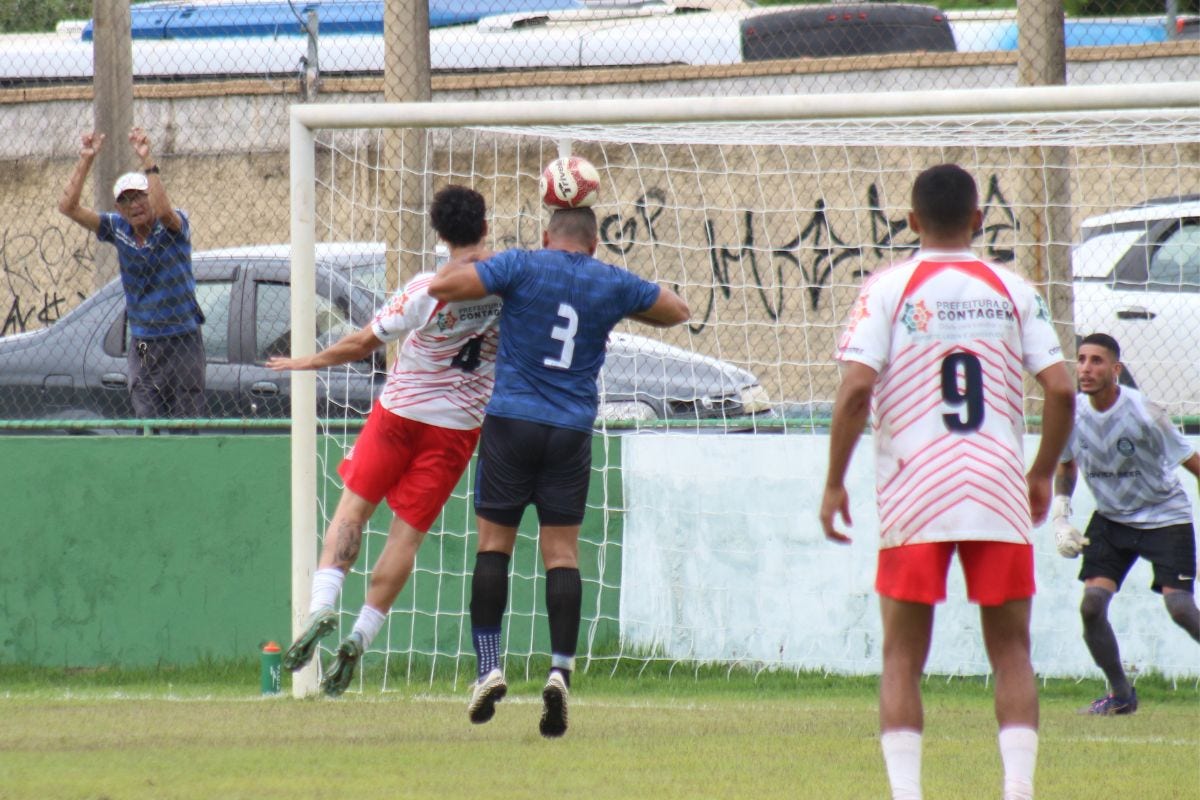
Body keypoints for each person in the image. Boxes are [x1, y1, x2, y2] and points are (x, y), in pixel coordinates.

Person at [819, 164, 1075, 800]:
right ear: (979, 220)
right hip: (995, 488)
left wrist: (834, 483)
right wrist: (1040, 471)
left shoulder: (886, 288)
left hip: (916, 491)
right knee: (1012, 651)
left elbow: (855, 391)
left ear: (909, 221)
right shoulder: (1012, 288)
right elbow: (1063, 387)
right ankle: (1018, 791)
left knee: (902, 655)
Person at [429, 203, 690, 737]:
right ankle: (560, 672)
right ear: (594, 244)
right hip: (569, 431)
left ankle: (488, 668)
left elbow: (445, 288)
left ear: (547, 236)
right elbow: (678, 309)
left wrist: (481, 259)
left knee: (493, 545)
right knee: (562, 554)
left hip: (511, 423)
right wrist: (621, 302)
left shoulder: (521, 264)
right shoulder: (610, 280)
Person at [271, 185, 500, 697]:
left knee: (352, 512)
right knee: (406, 538)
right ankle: (360, 635)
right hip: (458, 427)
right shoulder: (509, 284)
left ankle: (322, 608)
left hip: (399, 415)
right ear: (485, 226)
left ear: (440, 235)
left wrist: (304, 362)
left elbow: (362, 342)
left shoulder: (429, 287)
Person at [1052, 332, 1199, 716]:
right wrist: (1061, 514)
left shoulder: (1144, 412)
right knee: (1091, 606)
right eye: (1081, 359)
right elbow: (1066, 463)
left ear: (1115, 370)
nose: (1085, 368)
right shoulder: (1071, 413)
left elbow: (1192, 461)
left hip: (1165, 516)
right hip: (1112, 519)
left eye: (1096, 361)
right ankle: (1121, 695)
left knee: (1181, 609)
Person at [58, 127, 205, 423]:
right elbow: (68, 207)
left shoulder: (173, 226)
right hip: (143, 343)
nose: (135, 204)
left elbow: (164, 212)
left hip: (182, 339)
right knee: (146, 418)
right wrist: (86, 158)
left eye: (140, 196)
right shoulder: (117, 229)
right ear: (118, 208)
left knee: (186, 424)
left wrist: (148, 160)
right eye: (126, 200)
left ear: (151, 196)